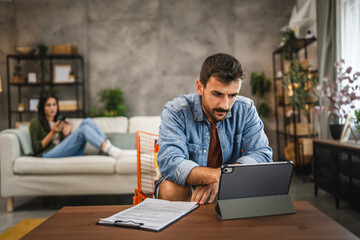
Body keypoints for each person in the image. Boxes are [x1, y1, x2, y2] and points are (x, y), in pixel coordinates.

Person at [156, 53, 272, 205]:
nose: (225, 105)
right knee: (171, 190)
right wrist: (219, 176)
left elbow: (261, 153)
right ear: (200, 87)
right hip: (187, 185)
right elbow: (171, 162)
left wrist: (222, 179)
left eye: (232, 95)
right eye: (217, 94)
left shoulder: (245, 109)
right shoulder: (176, 112)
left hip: (228, 183)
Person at [29, 92, 136, 159]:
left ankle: (110, 148)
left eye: (54, 105)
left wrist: (66, 134)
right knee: (83, 129)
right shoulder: (35, 123)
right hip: (47, 154)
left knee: (88, 121)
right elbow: (36, 148)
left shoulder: (59, 121)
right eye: (48, 105)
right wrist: (53, 132)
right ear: (42, 107)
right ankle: (113, 151)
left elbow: (65, 146)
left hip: (62, 151)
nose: (52, 108)